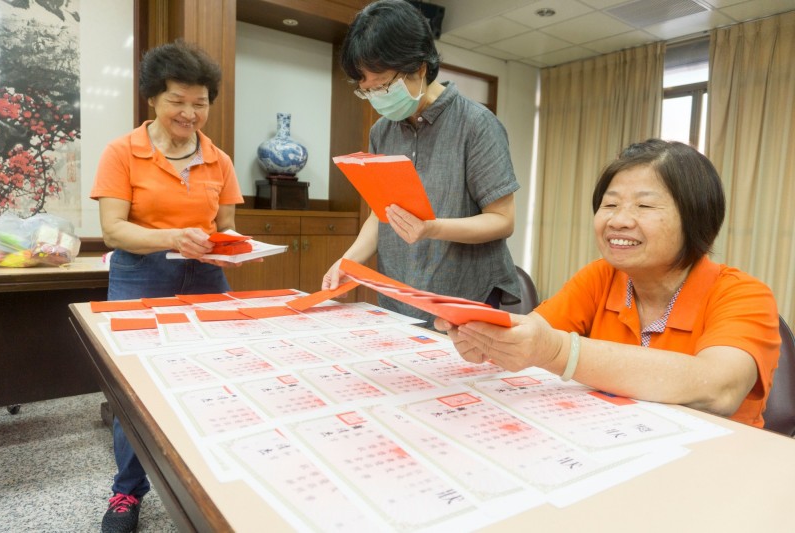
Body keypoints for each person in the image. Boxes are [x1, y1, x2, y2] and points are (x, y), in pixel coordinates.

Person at [436, 139, 781, 428]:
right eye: (610, 204)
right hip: (613, 440)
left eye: (644, 205)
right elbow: (533, 332)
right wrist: (489, 338)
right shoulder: (601, 276)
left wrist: (556, 351)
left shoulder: (743, 294)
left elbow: (718, 389)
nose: (618, 220)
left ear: (697, 218)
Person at [90, 40, 245, 533]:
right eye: (178, 100)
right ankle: (126, 494)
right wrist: (171, 237)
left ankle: (209, 479)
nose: (190, 113)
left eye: (200, 103)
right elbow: (114, 229)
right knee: (135, 390)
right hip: (140, 274)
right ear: (153, 98)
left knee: (214, 378)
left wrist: (233, 248)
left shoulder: (218, 160)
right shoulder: (122, 152)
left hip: (204, 277)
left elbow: (226, 226)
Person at [322, 0, 521, 323]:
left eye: (384, 85)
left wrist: (432, 229)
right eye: (367, 90)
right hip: (399, 296)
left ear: (420, 68)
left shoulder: (476, 124)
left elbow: (502, 220)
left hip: (464, 298)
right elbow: (382, 215)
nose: (377, 98)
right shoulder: (382, 132)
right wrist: (348, 263)